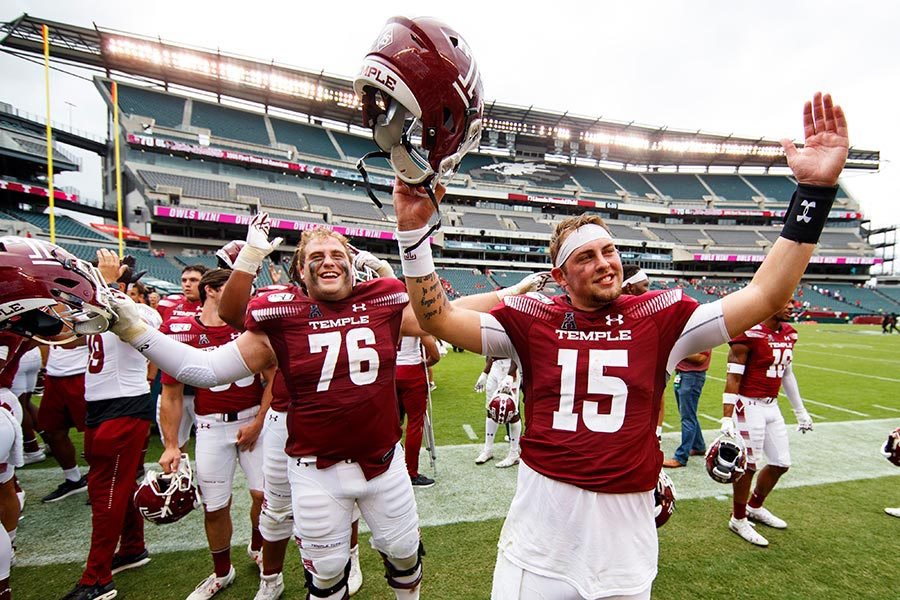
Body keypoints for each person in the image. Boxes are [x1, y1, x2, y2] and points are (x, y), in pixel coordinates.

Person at [393, 92, 848, 597]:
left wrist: (814, 192)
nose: (605, 262)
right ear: (561, 275)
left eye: (609, 250)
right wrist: (413, 233)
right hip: (542, 534)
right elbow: (435, 317)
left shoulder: (659, 316)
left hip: (624, 537)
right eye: (586, 257)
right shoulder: (532, 318)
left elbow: (767, 293)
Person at [158, 269, 272, 599]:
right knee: (214, 506)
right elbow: (172, 393)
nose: (243, 295)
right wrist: (170, 444)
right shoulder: (180, 330)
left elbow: (273, 378)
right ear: (211, 291)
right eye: (233, 288)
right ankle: (222, 571)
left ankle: (258, 544)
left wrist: (259, 423)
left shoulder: (250, 327)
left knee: (263, 497)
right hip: (209, 425)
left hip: (252, 420)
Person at [59, 249, 161, 600]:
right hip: (100, 406)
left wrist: (110, 283)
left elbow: (122, 318)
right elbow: (68, 335)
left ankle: (97, 578)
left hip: (125, 407)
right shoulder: (97, 308)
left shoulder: (144, 312)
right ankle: (133, 547)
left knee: (107, 493)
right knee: (121, 483)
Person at [721, 298, 813, 547]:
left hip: (771, 406)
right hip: (748, 405)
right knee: (748, 466)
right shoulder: (748, 333)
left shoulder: (789, 333)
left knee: (782, 463)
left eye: (794, 301)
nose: (793, 306)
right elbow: (733, 377)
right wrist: (726, 416)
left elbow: (787, 373)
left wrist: (800, 411)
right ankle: (738, 518)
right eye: (787, 302)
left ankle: (754, 507)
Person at [38, 342, 89, 503]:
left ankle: (103, 481)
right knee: (52, 430)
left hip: (84, 373)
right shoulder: (51, 315)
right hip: (54, 375)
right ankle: (73, 479)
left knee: (95, 431)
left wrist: (53, 336)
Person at [396, 335, 441, 487]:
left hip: (389, 372)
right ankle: (411, 472)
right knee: (415, 424)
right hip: (411, 370)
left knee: (391, 421)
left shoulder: (384, 312)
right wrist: (427, 363)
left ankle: (389, 467)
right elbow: (434, 353)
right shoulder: (413, 318)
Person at [662, 350, 711, 469]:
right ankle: (698, 446)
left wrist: (678, 352)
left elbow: (701, 358)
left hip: (692, 376)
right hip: (683, 375)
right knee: (689, 413)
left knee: (687, 417)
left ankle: (681, 457)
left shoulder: (701, 333)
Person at [474, 357, 522, 468]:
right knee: (491, 408)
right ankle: (488, 449)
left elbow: (516, 349)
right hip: (495, 366)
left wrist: (511, 374)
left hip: (509, 365)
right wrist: (485, 372)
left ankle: (514, 453)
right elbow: (492, 348)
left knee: (512, 410)